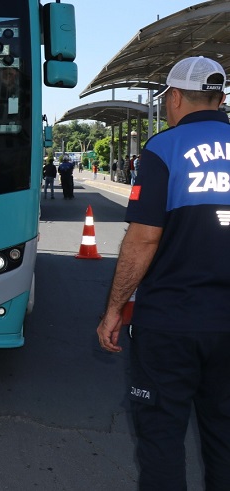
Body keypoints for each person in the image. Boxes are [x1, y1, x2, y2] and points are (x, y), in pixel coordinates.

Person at [96, 56, 230, 491]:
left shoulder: (162, 150)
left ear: (173, 98)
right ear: (221, 98)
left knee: (162, 442)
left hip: (170, 324)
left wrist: (114, 309)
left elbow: (143, 241)